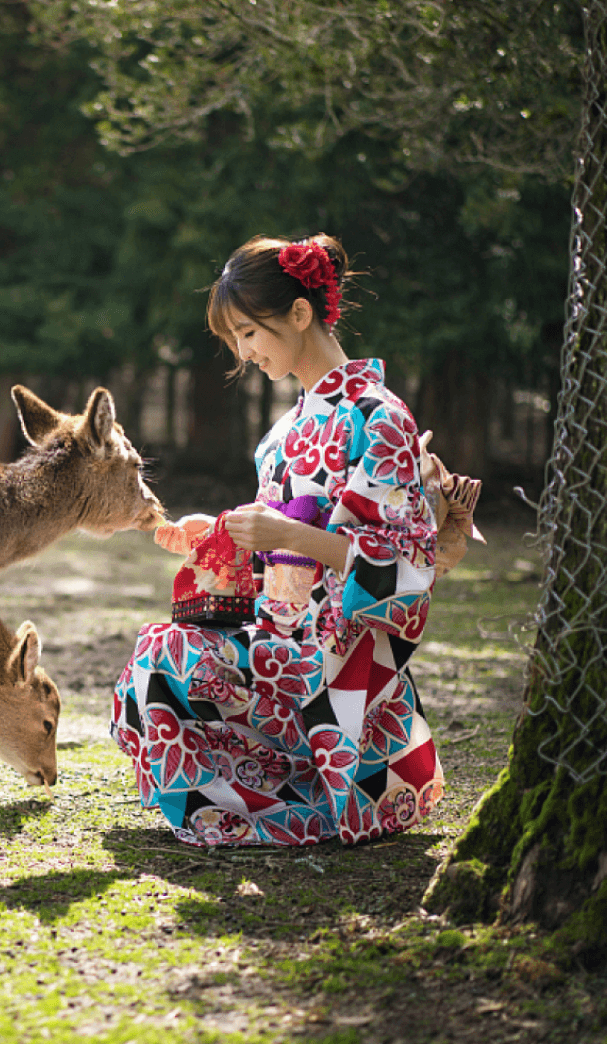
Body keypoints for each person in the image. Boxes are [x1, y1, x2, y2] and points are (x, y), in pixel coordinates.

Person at [112, 233, 445, 847]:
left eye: (248, 332)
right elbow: (272, 550)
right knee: (156, 656)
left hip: (339, 657)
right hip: (275, 635)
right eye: (234, 339)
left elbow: (407, 567)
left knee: (164, 659)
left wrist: (288, 533)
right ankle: (252, 798)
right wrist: (216, 534)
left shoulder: (380, 417)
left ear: (299, 313)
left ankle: (323, 798)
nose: (243, 352)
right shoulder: (284, 430)